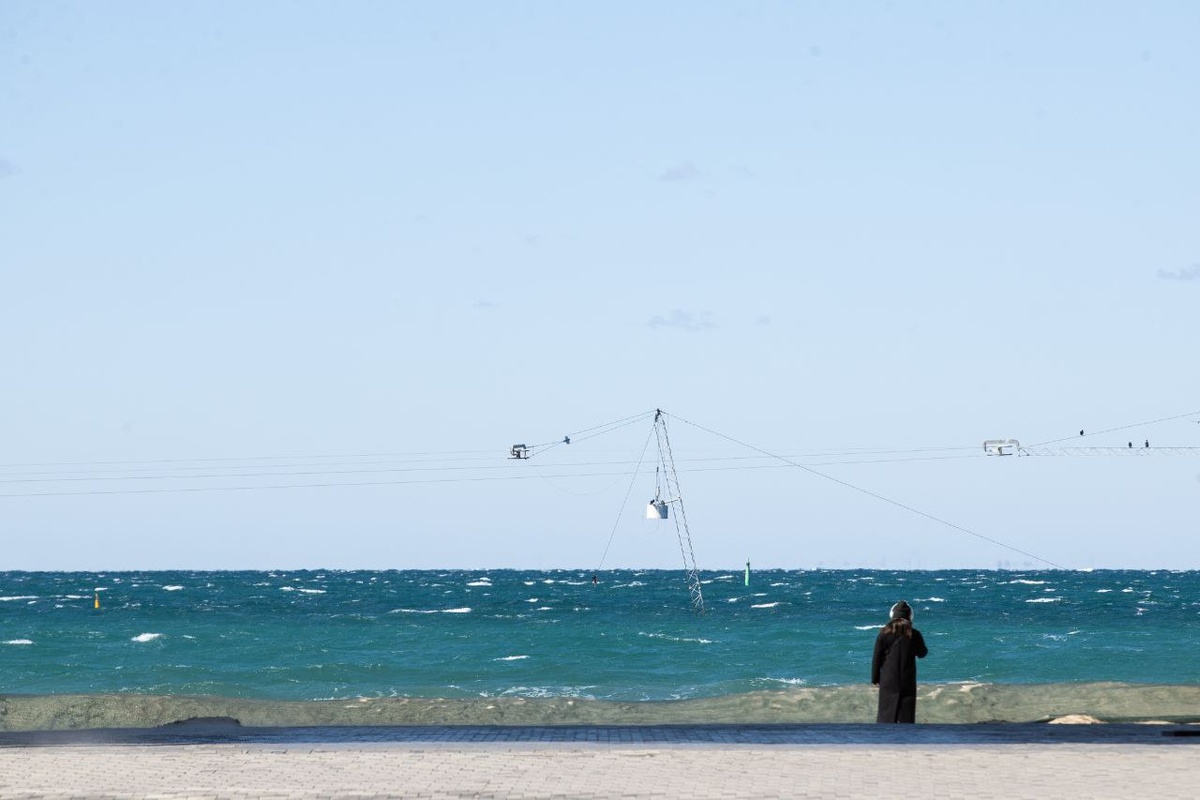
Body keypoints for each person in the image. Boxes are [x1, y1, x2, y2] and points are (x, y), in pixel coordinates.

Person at [871, 601, 928, 723]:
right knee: (906, 717)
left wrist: (875, 679)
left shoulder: (884, 634)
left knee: (886, 716)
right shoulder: (915, 634)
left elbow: (877, 658)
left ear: (892, 615)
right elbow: (923, 653)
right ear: (910, 616)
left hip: (888, 679)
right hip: (907, 679)